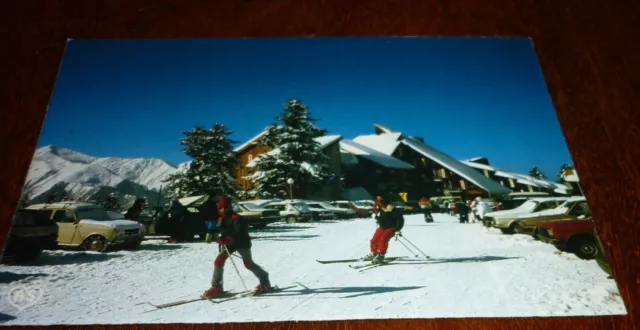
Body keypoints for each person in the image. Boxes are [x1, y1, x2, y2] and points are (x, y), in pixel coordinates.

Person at [202, 195, 273, 298]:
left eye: (226, 207)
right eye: (221, 208)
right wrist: (212, 233)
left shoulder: (238, 218)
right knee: (218, 261)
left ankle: (264, 279)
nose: (223, 210)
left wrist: (227, 239)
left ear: (230, 207)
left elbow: (239, 233)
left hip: (242, 243)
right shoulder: (221, 218)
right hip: (228, 244)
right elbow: (221, 230)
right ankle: (217, 287)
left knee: (248, 263)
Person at [363, 199, 405, 264]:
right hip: (382, 227)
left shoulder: (393, 210)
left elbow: (400, 220)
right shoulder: (381, 209)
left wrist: (397, 230)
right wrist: (377, 218)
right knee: (374, 240)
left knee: (383, 239)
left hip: (391, 228)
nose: (380, 206)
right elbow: (383, 217)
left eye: (381, 205)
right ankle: (374, 253)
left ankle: (381, 255)